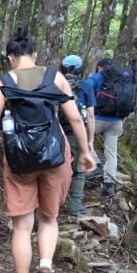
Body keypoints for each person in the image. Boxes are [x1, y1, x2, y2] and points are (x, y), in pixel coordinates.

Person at [0, 28, 95, 273]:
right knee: (49, 218)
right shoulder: (56, 77)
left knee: (22, 225)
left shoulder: (3, 81)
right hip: (54, 155)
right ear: (35, 54)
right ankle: (44, 268)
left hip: (20, 159)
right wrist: (86, 152)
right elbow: (75, 119)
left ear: (10, 58)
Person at [59, 55, 95, 216]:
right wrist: (90, 139)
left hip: (56, 131)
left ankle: (53, 201)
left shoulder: (55, 82)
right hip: (76, 132)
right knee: (79, 170)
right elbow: (91, 114)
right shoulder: (86, 86)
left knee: (56, 167)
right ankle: (74, 204)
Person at [82, 58, 120, 196]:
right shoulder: (120, 79)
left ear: (99, 67)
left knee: (82, 138)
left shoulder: (98, 76)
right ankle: (109, 185)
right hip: (116, 121)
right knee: (111, 153)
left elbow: (84, 86)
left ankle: (96, 166)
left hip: (96, 119)